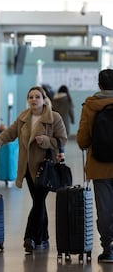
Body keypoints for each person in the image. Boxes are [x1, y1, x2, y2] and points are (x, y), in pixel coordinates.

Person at [0, 86, 67, 253]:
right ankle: (43, 238)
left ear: (44, 99)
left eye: (37, 97)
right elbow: (10, 133)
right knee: (39, 202)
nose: (33, 100)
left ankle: (30, 237)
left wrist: (46, 141)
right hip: (28, 168)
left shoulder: (54, 117)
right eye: (30, 97)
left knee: (38, 201)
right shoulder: (23, 117)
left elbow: (62, 140)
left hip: (45, 168)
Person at [76, 69, 113, 263]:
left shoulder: (91, 105)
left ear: (99, 85)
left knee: (105, 209)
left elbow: (82, 140)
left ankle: (108, 248)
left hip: (100, 165)